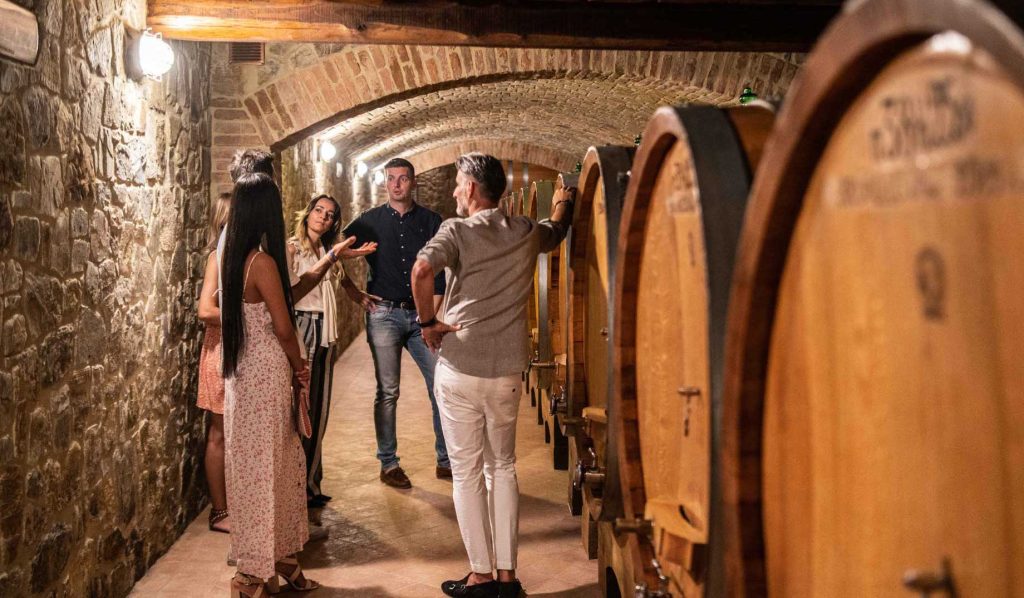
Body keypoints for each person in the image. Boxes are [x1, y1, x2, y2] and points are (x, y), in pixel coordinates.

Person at [411, 153, 574, 598]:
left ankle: (480, 575)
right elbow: (555, 231)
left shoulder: (456, 230)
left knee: (466, 472)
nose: (454, 193)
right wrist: (563, 202)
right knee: (502, 467)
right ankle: (507, 577)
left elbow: (422, 269)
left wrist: (427, 323)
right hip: (506, 371)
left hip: (461, 365)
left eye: (458, 184)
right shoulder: (522, 230)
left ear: (473, 188)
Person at [221, 173, 319, 597]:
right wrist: (300, 366)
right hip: (267, 375)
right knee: (269, 470)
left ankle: (278, 557)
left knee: (260, 469)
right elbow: (283, 326)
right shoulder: (261, 262)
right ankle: (252, 575)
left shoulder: (231, 259)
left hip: (243, 377)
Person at [340, 157, 450, 489]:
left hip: (421, 318)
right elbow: (333, 252)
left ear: (413, 182)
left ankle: (446, 460)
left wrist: (433, 313)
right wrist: (353, 291)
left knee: (440, 386)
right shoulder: (368, 222)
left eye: (403, 178)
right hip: (383, 314)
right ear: (385, 183)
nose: (397, 184)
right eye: (391, 179)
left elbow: (441, 270)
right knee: (388, 391)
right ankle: (389, 464)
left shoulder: (432, 221)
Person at [287, 194, 377, 507]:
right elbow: (294, 290)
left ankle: (311, 483)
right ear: (307, 212)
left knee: (319, 408)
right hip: (305, 327)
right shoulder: (293, 248)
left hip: (325, 332)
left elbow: (340, 281)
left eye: (329, 215)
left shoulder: (326, 249)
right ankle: (300, 487)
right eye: (319, 210)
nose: (323, 217)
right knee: (305, 409)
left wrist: (358, 295)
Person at [197, 192, 232, 534]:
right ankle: (220, 512)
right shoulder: (216, 260)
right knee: (219, 433)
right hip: (221, 350)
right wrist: (244, 316)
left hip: (239, 350)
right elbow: (205, 311)